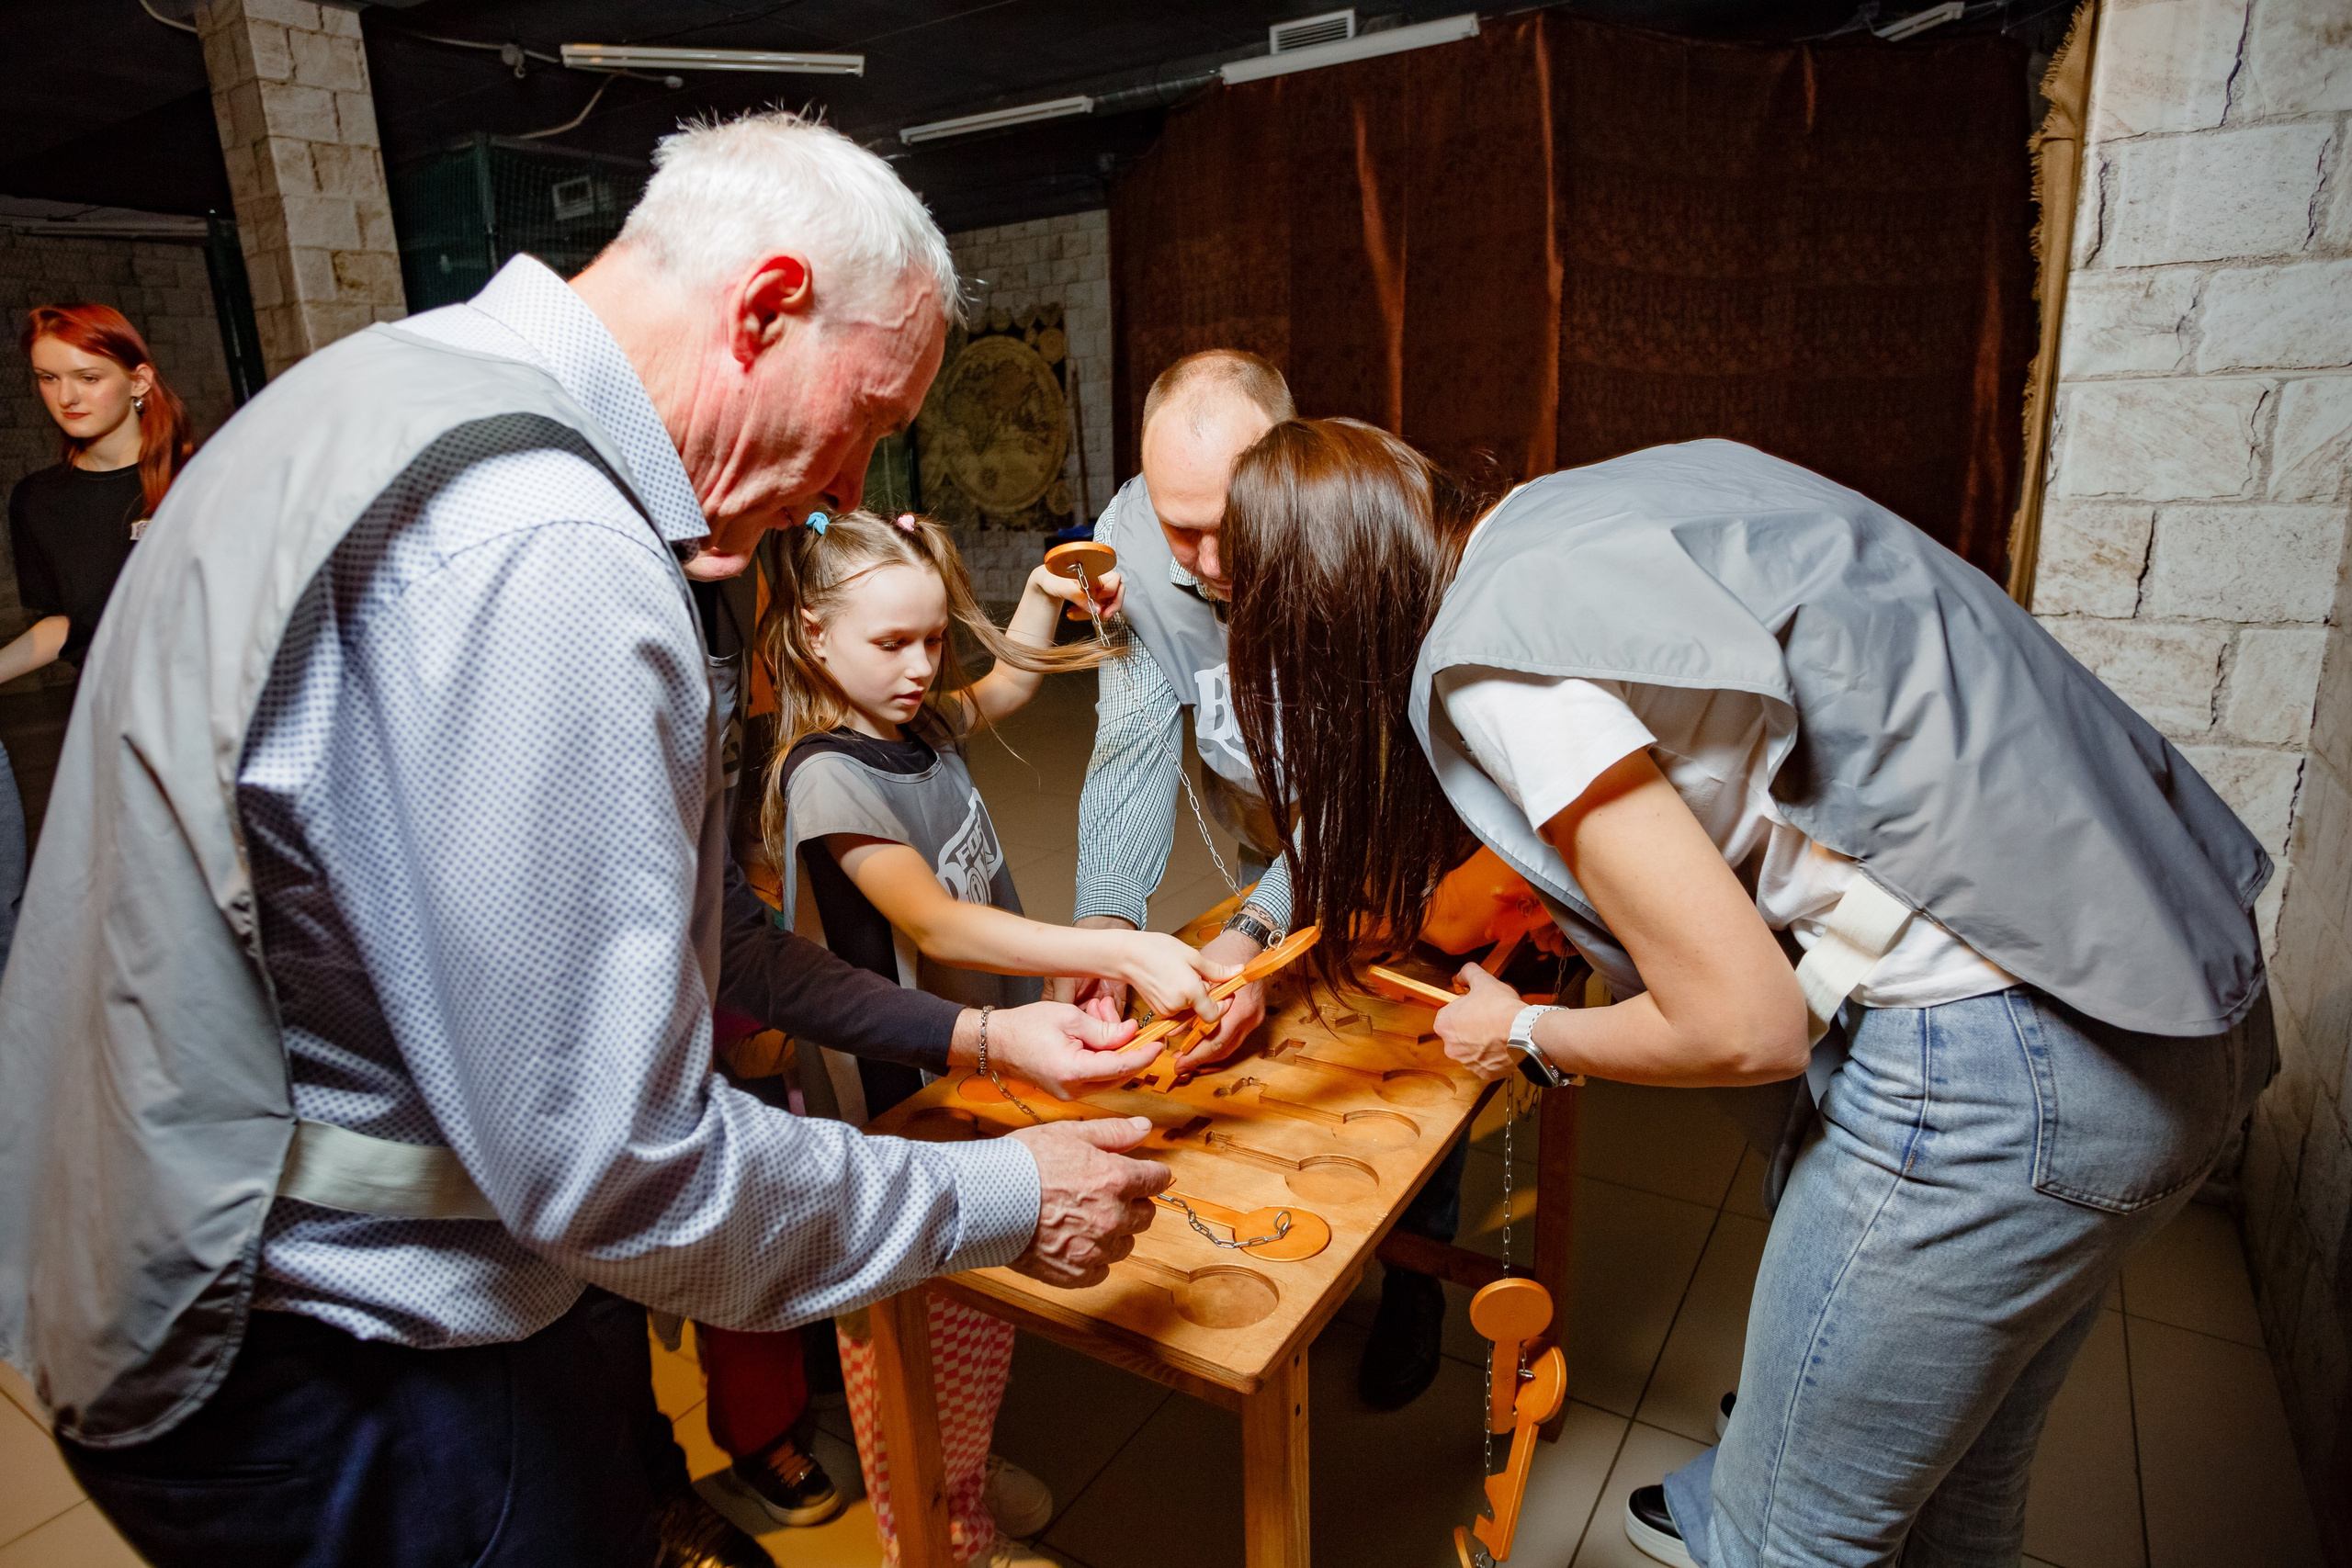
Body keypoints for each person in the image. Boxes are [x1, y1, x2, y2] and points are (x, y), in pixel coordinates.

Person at [0, 110, 1181, 1568]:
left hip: (148, 1257)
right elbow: (619, 1168)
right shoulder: (551, 544)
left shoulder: (379, 386)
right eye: (866, 421)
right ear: (764, 311)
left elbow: (713, 940)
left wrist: (988, 1047)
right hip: (343, 1357)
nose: (849, 491)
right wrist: (1007, 1193)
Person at [1219, 421, 2273, 1568]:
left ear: (1320, 623)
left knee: (1784, 1543)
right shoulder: (1590, 507)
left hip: (2010, 1074)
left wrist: (1518, 1026)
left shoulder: (1496, 662)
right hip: (2170, 996)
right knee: (1959, 1506)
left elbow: (1745, 1026)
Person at [762, 505, 1227, 1564]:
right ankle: (930, 1532)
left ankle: (958, 1472)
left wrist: (1044, 602)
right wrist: (1107, 947)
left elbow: (1008, 685)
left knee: (975, 1309)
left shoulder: (908, 720)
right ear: (808, 638)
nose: (921, 667)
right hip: (889, 1110)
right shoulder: (827, 775)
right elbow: (935, 921)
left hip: (967, 1076)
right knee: (906, 1342)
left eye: (933, 638)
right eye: (891, 644)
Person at [1053, 350, 1471, 1411]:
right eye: (1170, 521)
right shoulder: (1135, 540)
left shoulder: (1344, 527)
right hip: (1265, 841)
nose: (1193, 559)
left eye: (1218, 525)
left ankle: (1417, 1278)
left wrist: (1253, 929)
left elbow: (1367, 776)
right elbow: (1135, 738)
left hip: (1396, 841)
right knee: (1283, 1053)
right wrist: (1104, 925)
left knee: (1418, 1068)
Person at [1, 304, 192, 687]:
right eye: (48, 378)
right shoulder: (37, 500)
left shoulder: (197, 480)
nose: (66, 397)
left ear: (139, 381)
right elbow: (72, 622)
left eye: (88, 378)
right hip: (110, 707)